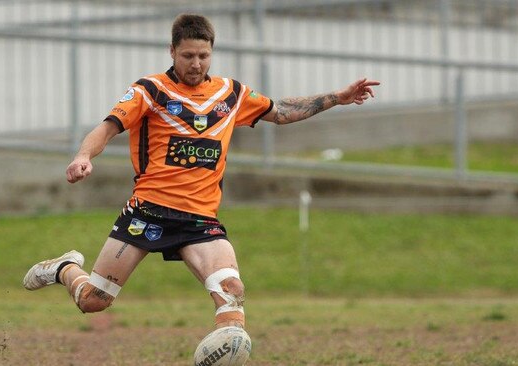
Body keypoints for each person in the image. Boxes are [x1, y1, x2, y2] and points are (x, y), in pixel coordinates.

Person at [23, 13, 379, 331]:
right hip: (148, 212)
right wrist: (84, 156)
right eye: (188, 56)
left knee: (232, 292)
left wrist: (337, 97)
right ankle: (65, 268)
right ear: (172, 51)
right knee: (94, 301)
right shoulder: (150, 91)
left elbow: (282, 110)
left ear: (212, 53)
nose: (196, 64)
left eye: (203, 56)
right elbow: (107, 128)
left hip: (199, 219)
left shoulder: (230, 94)